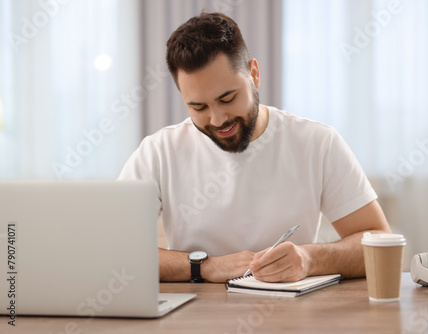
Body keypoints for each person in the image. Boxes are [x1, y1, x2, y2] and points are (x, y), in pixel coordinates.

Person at [118, 12, 391, 283]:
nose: (218, 119)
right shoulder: (158, 152)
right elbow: (115, 253)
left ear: (254, 74)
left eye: (228, 98)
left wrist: (310, 260)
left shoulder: (317, 142)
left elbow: (381, 243)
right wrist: (204, 266)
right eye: (198, 107)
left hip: (291, 317)